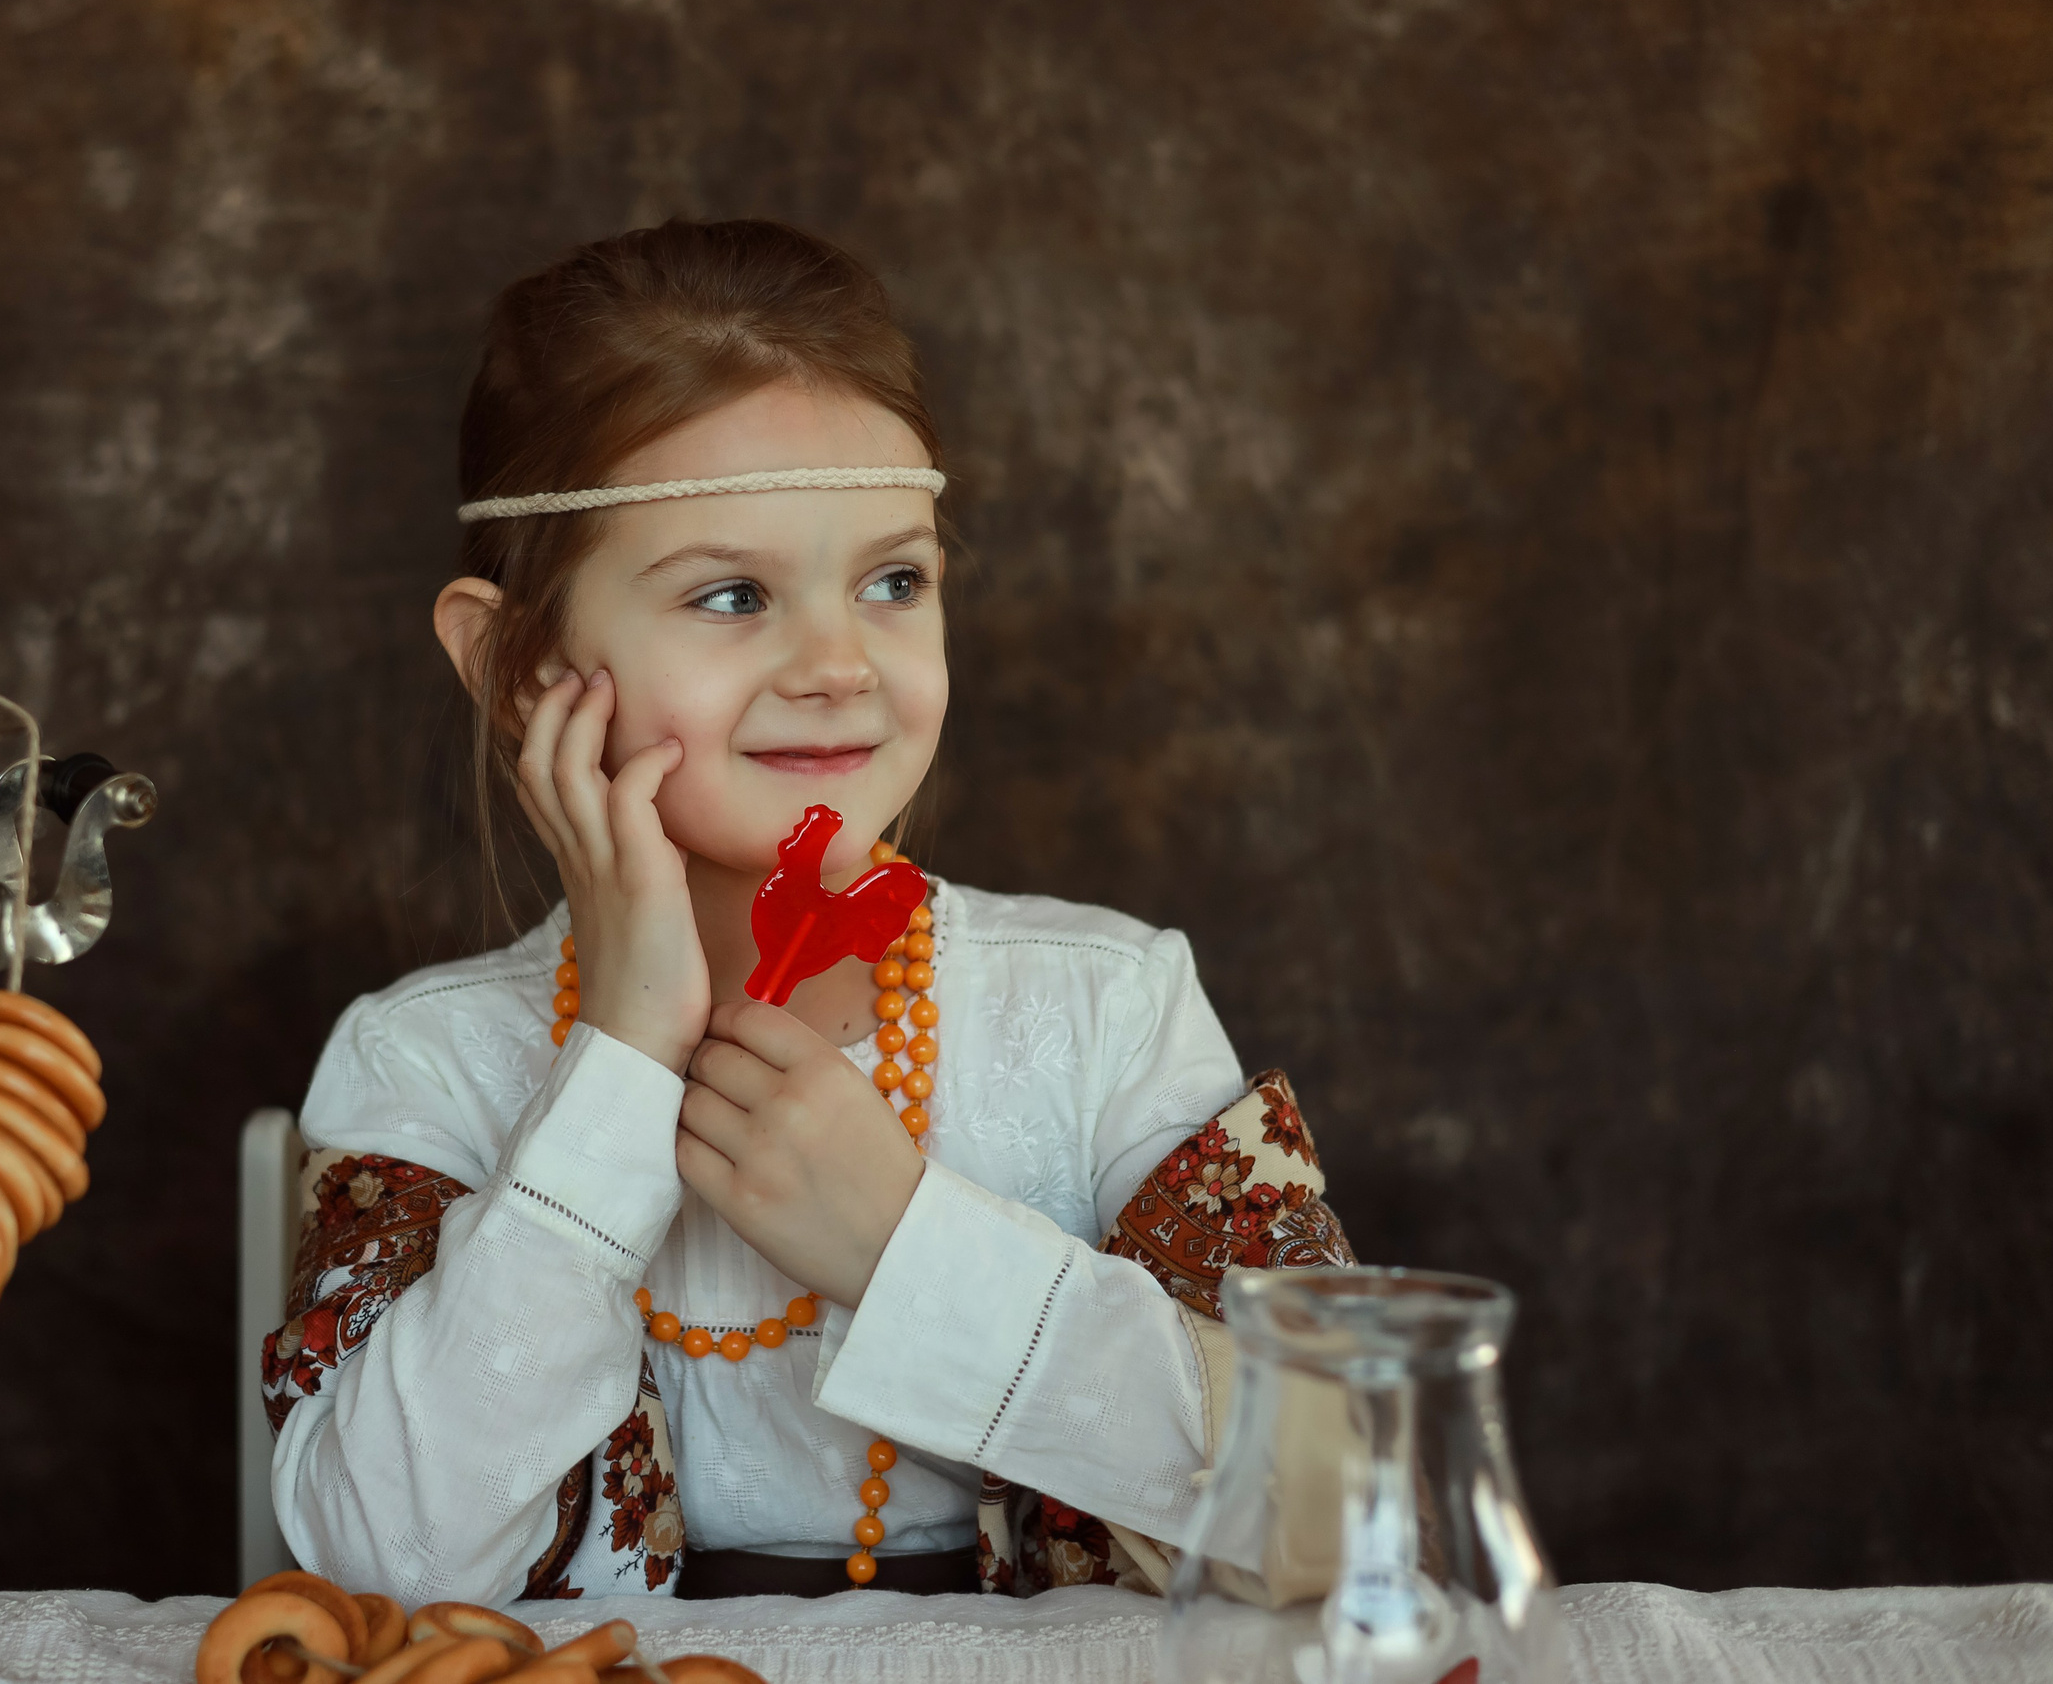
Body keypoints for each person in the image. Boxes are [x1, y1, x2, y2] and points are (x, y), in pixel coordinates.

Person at [262, 218, 1354, 1604]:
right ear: (516, 664)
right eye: (732, 596)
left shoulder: (1106, 1009)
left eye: (894, 582)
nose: (840, 665)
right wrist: (621, 1063)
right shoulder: (425, 1061)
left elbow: (1344, 1510)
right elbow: (385, 1560)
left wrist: (903, 1242)